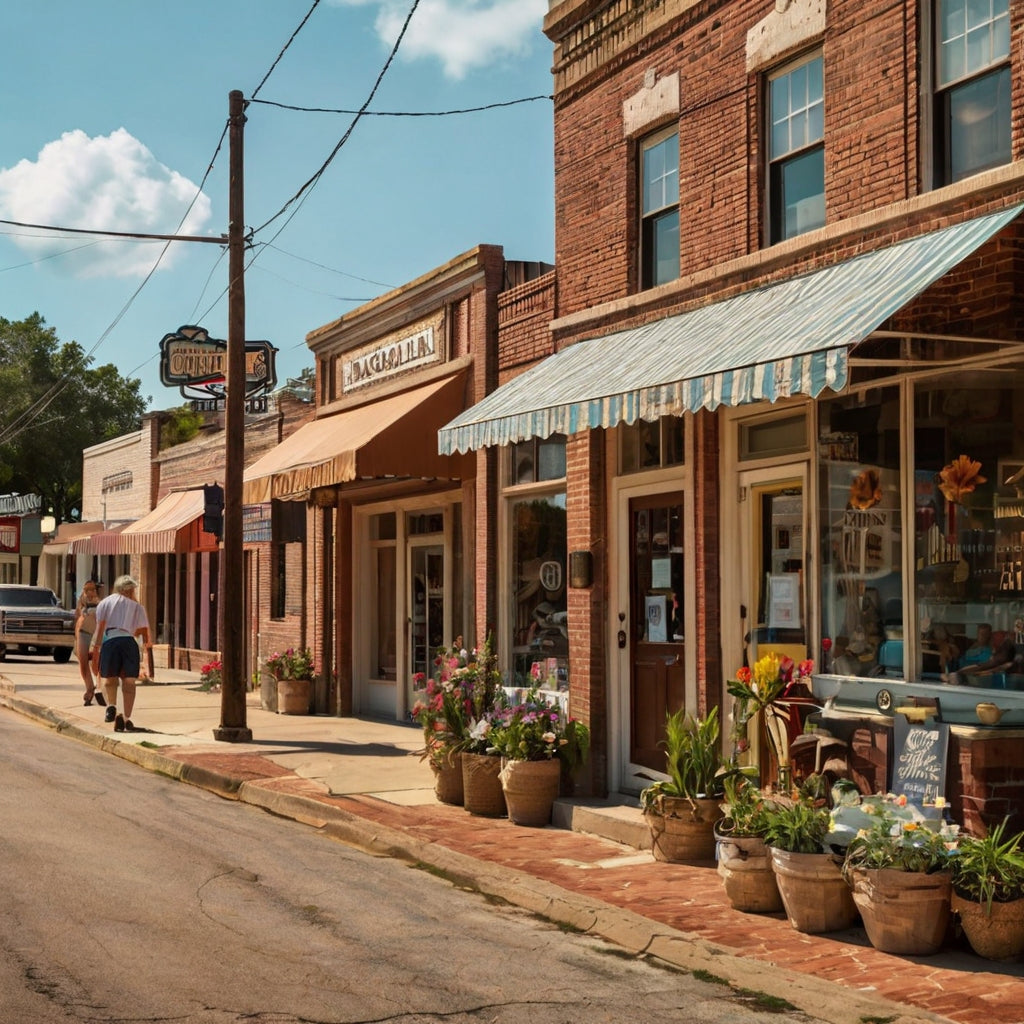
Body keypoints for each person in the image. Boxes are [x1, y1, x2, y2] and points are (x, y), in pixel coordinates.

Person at [89, 575, 152, 732]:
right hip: (129, 643)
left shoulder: (104, 603)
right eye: (132, 590)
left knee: (110, 679)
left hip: (110, 641)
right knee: (129, 682)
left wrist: (96, 648)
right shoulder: (137, 607)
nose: (133, 593)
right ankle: (125, 717)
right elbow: (144, 632)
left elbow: (101, 627)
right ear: (128, 590)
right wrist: (146, 653)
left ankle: (111, 705)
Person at [74, 580, 104, 706]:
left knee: (97, 664)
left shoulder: (101, 603)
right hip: (83, 633)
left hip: (96, 634)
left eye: (92, 589)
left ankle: (100, 689)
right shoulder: (81, 602)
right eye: (87, 589)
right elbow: (77, 616)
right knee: (83, 662)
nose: (90, 592)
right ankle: (89, 688)